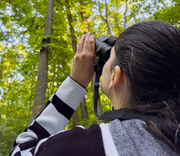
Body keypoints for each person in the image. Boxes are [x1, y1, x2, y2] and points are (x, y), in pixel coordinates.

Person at [10, 21, 180, 156]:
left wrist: (74, 83)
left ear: (116, 76)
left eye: (109, 59)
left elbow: (20, 150)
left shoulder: (94, 145)